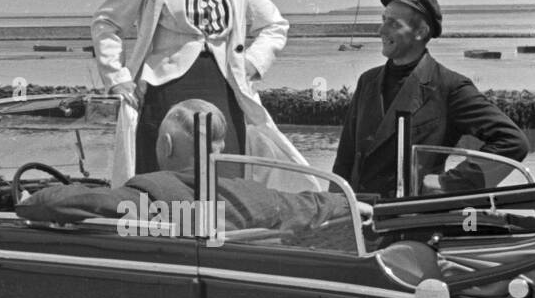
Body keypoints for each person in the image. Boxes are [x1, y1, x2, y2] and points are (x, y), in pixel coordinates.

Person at [91, 0, 311, 186]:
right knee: (166, 186)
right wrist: (118, 79)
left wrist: (252, 64)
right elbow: (107, 22)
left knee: (227, 184)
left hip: (226, 94)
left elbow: (275, 26)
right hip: (166, 94)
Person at [22, 99, 367, 237]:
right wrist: (357, 204)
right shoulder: (258, 195)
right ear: (219, 148)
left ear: (166, 145)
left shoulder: (151, 195)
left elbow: (51, 205)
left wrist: (28, 196)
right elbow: (315, 203)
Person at [333, 0, 529, 199]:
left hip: (413, 222)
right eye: (383, 20)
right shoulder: (367, 81)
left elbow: (512, 142)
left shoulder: (449, 87)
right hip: (360, 218)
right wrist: (334, 212)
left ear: (421, 31)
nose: (381, 30)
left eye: (394, 24)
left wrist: (451, 184)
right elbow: (344, 160)